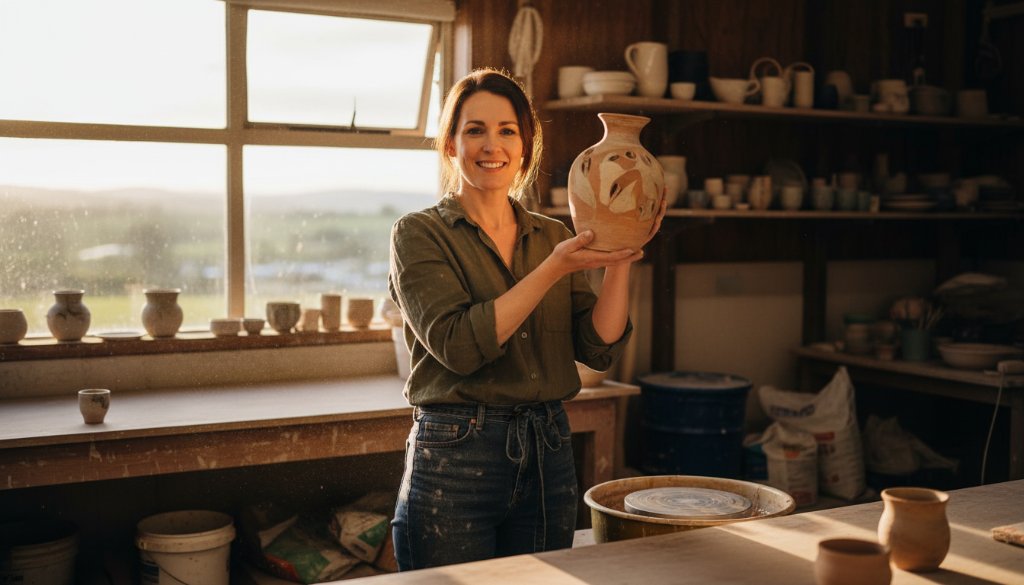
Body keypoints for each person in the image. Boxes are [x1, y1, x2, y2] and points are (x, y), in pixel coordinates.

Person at [388, 68, 664, 570]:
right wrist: (553, 268)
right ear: (450, 145)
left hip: (548, 447)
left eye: (507, 131)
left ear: (525, 146)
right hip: (455, 454)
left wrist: (622, 256)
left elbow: (597, 346)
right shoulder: (419, 234)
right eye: (475, 130)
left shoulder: (551, 234)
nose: (491, 145)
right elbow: (458, 346)